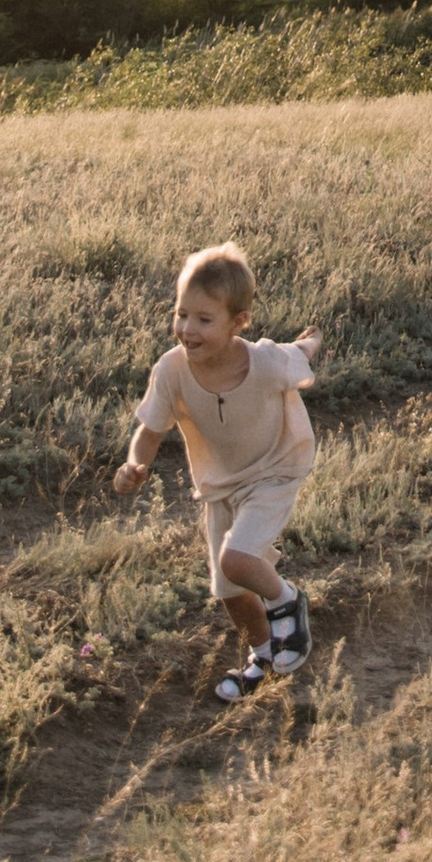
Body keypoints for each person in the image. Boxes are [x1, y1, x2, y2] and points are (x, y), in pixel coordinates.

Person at [114, 241, 324, 701]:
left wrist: (314, 339)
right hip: (220, 486)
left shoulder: (264, 362)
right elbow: (150, 429)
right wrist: (136, 464)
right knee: (228, 588)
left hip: (274, 470)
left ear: (238, 322)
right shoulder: (171, 371)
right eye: (181, 314)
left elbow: (299, 354)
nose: (187, 329)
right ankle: (264, 660)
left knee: (238, 559)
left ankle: (288, 602)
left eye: (204, 320)